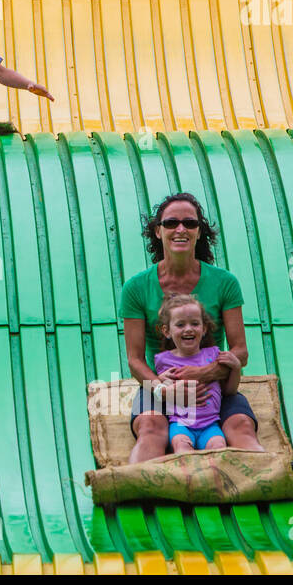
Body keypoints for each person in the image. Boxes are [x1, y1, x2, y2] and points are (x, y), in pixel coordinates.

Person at [119, 192, 265, 463]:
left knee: (241, 425)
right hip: (162, 383)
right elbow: (135, 359)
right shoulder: (136, 288)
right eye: (171, 223)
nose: (181, 229)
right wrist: (165, 389)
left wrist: (204, 373)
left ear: (199, 232)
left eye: (190, 223)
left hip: (215, 387)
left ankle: (272, 473)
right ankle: (135, 483)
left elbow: (240, 351)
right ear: (158, 231)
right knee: (151, 428)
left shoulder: (224, 282)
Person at [153, 294, 237, 453]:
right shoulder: (163, 360)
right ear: (167, 331)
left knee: (219, 448)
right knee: (182, 446)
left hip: (211, 424)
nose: (188, 329)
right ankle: (188, 477)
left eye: (195, 323)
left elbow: (229, 391)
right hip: (180, 423)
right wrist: (160, 380)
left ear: (204, 328)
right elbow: (160, 391)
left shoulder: (213, 355)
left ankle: (213, 476)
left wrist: (236, 369)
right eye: (180, 324)